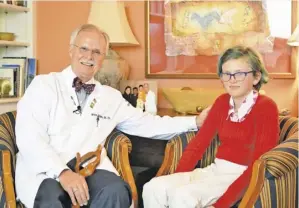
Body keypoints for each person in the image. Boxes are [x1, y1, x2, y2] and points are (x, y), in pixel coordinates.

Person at [14, 24, 208, 208]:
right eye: (83, 48)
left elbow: (149, 124)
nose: (89, 56)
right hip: (44, 169)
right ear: (71, 50)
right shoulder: (44, 85)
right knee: (52, 198)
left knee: (115, 191)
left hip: (89, 168)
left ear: (102, 58)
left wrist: (194, 121)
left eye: (97, 52)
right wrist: (63, 172)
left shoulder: (110, 96)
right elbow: (30, 139)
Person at [143, 46, 280, 208]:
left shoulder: (266, 107)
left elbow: (260, 163)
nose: (232, 79)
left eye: (240, 74)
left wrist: (221, 205)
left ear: (256, 77)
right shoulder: (221, 102)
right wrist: (177, 179)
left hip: (239, 176)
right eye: (226, 74)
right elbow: (198, 145)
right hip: (214, 171)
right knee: (153, 187)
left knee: (183, 196)